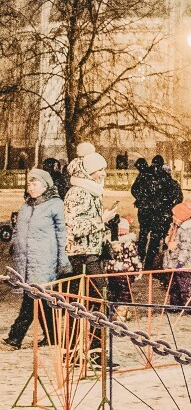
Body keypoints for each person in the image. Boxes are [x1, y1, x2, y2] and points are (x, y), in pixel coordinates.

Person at [4, 168, 70, 349]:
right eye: (29, 184)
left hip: (44, 261)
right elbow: (18, 231)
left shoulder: (55, 205)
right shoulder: (25, 207)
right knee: (42, 299)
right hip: (25, 261)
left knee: (32, 297)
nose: (30, 187)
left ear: (45, 185)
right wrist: (13, 247)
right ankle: (52, 336)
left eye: (35, 184)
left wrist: (62, 260)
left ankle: (15, 337)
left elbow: (62, 234)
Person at [64, 143, 116, 352]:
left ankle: (81, 349)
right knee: (98, 299)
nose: (103, 174)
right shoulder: (79, 193)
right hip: (83, 255)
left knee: (83, 303)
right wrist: (101, 220)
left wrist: (105, 237)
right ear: (89, 172)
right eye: (99, 170)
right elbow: (76, 226)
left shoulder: (91, 191)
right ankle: (92, 350)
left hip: (90, 253)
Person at [141, 155, 183, 269]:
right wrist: (171, 209)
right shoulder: (172, 184)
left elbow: (147, 197)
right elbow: (179, 199)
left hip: (157, 216)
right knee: (168, 242)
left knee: (154, 242)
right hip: (167, 216)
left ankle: (149, 267)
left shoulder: (154, 182)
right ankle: (165, 266)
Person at [163, 199, 191, 308]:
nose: (173, 217)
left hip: (182, 264)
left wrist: (180, 261)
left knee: (184, 286)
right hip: (172, 262)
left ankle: (188, 306)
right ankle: (175, 305)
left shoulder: (186, 230)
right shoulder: (174, 227)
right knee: (173, 286)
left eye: (175, 215)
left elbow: (186, 247)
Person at [104, 216, 142, 317]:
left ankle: (112, 311)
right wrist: (139, 269)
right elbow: (134, 257)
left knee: (113, 292)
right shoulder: (129, 243)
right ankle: (122, 313)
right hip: (126, 272)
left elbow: (106, 258)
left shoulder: (109, 244)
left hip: (111, 272)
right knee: (125, 293)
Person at [131, 158, 151, 260]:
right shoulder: (150, 174)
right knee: (153, 235)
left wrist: (140, 198)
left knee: (143, 232)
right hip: (151, 208)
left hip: (145, 208)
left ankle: (142, 255)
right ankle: (149, 257)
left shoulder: (142, 175)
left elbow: (134, 189)